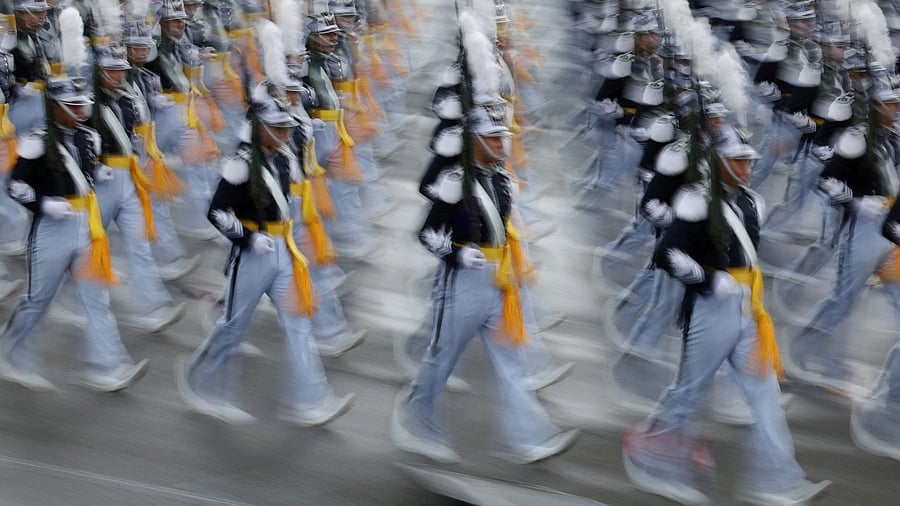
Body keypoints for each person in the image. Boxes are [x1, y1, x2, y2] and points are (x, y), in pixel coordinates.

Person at [622, 134, 830, 505]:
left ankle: (780, 480)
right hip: (710, 308)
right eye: (737, 161)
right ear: (718, 163)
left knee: (766, 394)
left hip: (747, 308)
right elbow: (666, 254)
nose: (746, 167)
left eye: (748, 160)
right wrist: (708, 279)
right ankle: (648, 451)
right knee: (689, 393)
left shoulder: (752, 203)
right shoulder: (696, 201)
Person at [391, 87, 578, 462]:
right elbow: (427, 234)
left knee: (512, 362)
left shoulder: (503, 180)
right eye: (493, 138)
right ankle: (416, 418)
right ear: (474, 141)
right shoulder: (455, 182)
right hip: (462, 284)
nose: (501, 144)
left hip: (498, 282)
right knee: (441, 359)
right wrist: (458, 256)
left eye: (501, 137)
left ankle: (530, 436)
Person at [176, 93, 355, 426]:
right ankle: (204, 384)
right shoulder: (241, 164)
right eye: (277, 128)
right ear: (260, 130)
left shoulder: (284, 157)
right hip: (252, 254)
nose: (285, 134)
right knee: (233, 328)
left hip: (282, 249)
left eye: (286, 128)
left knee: (298, 322)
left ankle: (311, 398)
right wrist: (246, 238)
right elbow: (216, 212)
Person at [1, 77, 150, 392]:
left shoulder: (89, 137)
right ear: (56, 108)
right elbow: (16, 186)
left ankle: (109, 365)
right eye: (74, 106)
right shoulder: (36, 142)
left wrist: (97, 172)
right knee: (38, 300)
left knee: (96, 298)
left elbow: (83, 172)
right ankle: (9, 351)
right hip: (51, 230)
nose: (82, 110)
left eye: (82, 104)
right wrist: (44, 205)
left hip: (85, 226)